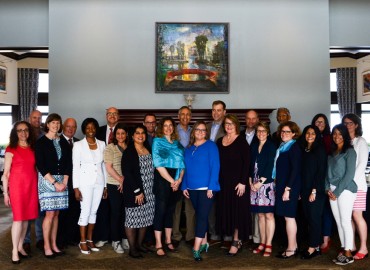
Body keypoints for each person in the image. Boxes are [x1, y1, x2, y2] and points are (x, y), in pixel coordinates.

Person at [182, 121, 220, 261]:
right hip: (191, 188)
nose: (200, 132)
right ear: (193, 132)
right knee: (200, 215)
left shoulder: (211, 146)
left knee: (202, 217)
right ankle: (204, 242)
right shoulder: (188, 148)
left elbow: (215, 166)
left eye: (203, 130)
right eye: (197, 129)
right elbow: (185, 168)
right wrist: (184, 185)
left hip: (206, 189)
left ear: (206, 133)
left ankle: (196, 248)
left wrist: (211, 186)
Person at [35, 113, 71, 258]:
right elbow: (41, 166)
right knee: (49, 214)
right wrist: (55, 183)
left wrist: (64, 183)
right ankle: (46, 246)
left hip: (63, 182)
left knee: (56, 214)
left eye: (58, 123)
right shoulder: (41, 142)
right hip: (47, 181)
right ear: (47, 124)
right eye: (53, 122)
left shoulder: (63, 141)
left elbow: (69, 163)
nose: (56, 125)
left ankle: (54, 244)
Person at [2, 121, 38, 264]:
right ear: (15, 133)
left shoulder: (33, 148)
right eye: (19, 130)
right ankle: (14, 251)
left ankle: (20, 246)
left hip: (31, 187)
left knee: (26, 220)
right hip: (17, 188)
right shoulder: (11, 149)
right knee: (18, 219)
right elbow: (5, 174)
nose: (23, 133)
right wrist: (6, 193)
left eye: (26, 130)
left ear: (29, 132)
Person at [216, 114, 250, 256]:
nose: (228, 126)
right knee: (227, 210)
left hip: (238, 183)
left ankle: (237, 241)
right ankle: (230, 239)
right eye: (226, 124)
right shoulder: (219, 141)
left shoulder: (242, 142)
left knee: (237, 212)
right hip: (223, 182)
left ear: (236, 125)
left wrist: (243, 182)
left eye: (231, 123)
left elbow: (247, 163)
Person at [73, 118, 107, 255]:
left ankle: (90, 239)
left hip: (99, 182)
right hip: (84, 183)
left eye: (93, 128)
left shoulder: (102, 143)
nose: (91, 130)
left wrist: (105, 186)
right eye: (88, 128)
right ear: (84, 130)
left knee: (94, 211)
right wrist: (76, 188)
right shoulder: (78, 145)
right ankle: (82, 241)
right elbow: (75, 167)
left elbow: (104, 165)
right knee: (85, 211)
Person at [152, 117, 185, 257]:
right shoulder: (157, 141)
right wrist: (172, 181)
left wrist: (179, 180)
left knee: (170, 211)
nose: (168, 128)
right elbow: (158, 164)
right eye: (165, 126)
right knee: (160, 212)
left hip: (176, 180)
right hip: (163, 179)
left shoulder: (178, 143)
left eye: (170, 125)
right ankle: (159, 243)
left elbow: (183, 164)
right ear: (161, 128)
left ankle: (168, 240)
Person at [122, 125, 155, 259]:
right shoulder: (129, 152)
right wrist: (138, 191)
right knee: (132, 219)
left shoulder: (148, 149)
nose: (140, 135)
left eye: (143, 133)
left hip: (150, 190)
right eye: (137, 133)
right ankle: (132, 248)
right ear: (133, 136)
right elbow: (127, 173)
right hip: (135, 191)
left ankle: (140, 245)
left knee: (145, 218)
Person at [326, 124, 357, 266]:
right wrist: (327, 189)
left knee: (345, 221)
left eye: (340, 134)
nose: (336, 136)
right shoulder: (332, 152)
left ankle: (349, 253)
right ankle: (344, 249)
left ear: (345, 135)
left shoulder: (350, 152)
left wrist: (337, 192)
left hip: (345, 190)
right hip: (332, 191)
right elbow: (326, 173)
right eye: (334, 134)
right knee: (338, 222)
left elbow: (349, 175)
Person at [273, 121, 301, 259]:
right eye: (282, 131)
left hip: (289, 187)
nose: (284, 134)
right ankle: (293, 246)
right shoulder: (283, 147)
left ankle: (290, 248)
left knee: (289, 217)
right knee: (287, 217)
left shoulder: (294, 147)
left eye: (287, 132)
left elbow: (296, 170)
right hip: (282, 186)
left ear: (294, 134)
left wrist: (288, 189)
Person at [342, 114, 368, 260]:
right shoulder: (345, 142)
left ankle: (363, 247)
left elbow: (361, 165)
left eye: (350, 123)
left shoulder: (361, 142)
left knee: (357, 216)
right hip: (344, 186)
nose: (347, 125)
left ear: (356, 125)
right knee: (347, 217)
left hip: (357, 186)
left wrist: (349, 181)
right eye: (345, 123)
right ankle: (350, 245)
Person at [299, 125, 327, 259]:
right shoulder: (305, 149)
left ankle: (313, 248)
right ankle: (315, 245)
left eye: (313, 133)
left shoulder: (319, 150)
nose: (310, 135)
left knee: (315, 218)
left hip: (315, 190)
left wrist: (314, 191)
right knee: (309, 218)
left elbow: (320, 172)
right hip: (304, 189)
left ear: (317, 135)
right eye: (308, 133)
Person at [249, 122, 276, 257]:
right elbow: (249, 165)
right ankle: (262, 242)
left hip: (266, 185)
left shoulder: (271, 146)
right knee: (260, 215)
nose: (261, 133)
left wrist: (260, 183)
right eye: (258, 131)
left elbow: (271, 166)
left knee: (269, 215)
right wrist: (250, 181)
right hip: (254, 185)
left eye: (263, 131)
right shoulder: (253, 146)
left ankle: (269, 243)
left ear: (268, 132)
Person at [95, 107, 120, 248]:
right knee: (103, 208)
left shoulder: (124, 130)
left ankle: (118, 237)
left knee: (118, 209)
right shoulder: (98, 130)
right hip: (101, 174)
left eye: (114, 114)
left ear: (118, 116)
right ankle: (103, 237)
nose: (112, 116)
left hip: (118, 176)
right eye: (109, 114)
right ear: (106, 116)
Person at [206, 100, 229, 246]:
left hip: (225, 171)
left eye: (219, 110)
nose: (216, 113)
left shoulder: (229, 127)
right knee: (210, 204)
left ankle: (227, 236)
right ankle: (214, 234)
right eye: (214, 110)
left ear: (224, 112)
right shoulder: (206, 127)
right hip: (208, 172)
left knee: (225, 204)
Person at [104, 123, 129, 254]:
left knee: (126, 213)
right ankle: (115, 240)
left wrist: (126, 182)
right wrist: (120, 180)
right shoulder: (110, 148)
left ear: (126, 135)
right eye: (118, 133)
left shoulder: (130, 147)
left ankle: (125, 237)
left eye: (123, 133)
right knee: (116, 213)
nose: (120, 136)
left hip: (127, 185)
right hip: (114, 184)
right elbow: (109, 167)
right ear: (115, 135)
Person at [172, 106, 195, 247]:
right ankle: (175, 235)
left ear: (190, 117)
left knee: (191, 207)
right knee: (176, 207)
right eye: (183, 114)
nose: (185, 117)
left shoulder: (195, 131)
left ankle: (190, 235)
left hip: (191, 173)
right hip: (176, 173)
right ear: (178, 116)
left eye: (188, 115)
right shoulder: (173, 131)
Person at [311, 113, 333, 253]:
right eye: (317, 122)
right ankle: (316, 239)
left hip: (326, 179)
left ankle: (326, 239)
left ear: (326, 125)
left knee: (326, 210)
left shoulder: (329, 139)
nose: (319, 124)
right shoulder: (310, 137)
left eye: (322, 122)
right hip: (313, 180)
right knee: (314, 212)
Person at [57, 118, 80, 248]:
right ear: (63, 127)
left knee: (74, 212)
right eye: (68, 126)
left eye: (73, 127)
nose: (70, 129)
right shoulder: (57, 141)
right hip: (61, 184)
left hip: (75, 184)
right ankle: (60, 241)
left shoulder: (78, 142)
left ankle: (71, 238)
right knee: (61, 214)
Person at [24, 110, 44, 253]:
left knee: (40, 209)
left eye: (39, 118)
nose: (37, 120)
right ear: (29, 118)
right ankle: (25, 241)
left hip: (42, 177)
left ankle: (40, 239)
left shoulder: (44, 133)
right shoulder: (24, 134)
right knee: (26, 210)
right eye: (34, 117)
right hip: (27, 177)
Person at [243, 109, 261, 247]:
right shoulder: (239, 134)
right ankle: (246, 235)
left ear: (257, 119)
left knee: (256, 209)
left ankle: (256, 238)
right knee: (244, 207)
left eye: (253, 118)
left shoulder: (262, 135)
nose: (251, 121)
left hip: (257, 177)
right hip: (242, 176)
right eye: (248, 118)